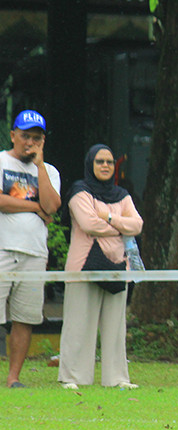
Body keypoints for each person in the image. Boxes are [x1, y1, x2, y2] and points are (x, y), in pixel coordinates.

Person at [58, 144, 142, 390]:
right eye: (99, 161)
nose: (105, 165)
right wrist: (120, 225)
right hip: (83, 266)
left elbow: (137, 225)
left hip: (117, 265)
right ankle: (73, 377)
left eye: (109, 161)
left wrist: (107, 217)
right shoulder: (79, 191)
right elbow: (88, 224)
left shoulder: (122, 194)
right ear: (90, 164)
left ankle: (117, 378)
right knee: (78, 324)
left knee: (115, 326)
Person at [0, 110, 61, 388]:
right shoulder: (1, 161)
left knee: (24, 319)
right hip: (2, 249)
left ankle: (14, 377)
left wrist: (39, 167)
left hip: (34, 254)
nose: (30, 142)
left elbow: (52, 206)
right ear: (13, 135)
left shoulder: (48, 172)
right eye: (25, 136)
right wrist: (35, 206)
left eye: (36, 138)